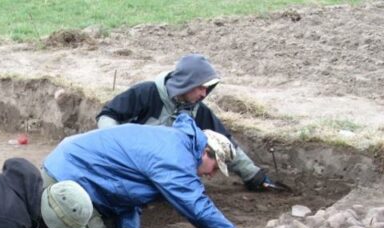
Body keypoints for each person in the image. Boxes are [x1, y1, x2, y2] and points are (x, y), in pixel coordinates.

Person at [40, 114, 242, 228]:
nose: (211, 175)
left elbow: (127, 191)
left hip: (87, 177)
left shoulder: (175, 143)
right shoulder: (176, 159)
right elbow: (198, 209)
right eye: (215, 168)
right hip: (67, 176)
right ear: (207, 152)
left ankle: (54, 222)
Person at [96, 53, 277, 191]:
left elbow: (225, 143)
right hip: (130, 167)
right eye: (200, 88)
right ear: (186, 83)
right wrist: (118, 148)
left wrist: (253, 175)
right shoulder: (146, 93)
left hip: (165, 175)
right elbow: (108, 116)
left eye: (207, 89)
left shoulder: (198, 110)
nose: (204, 94)